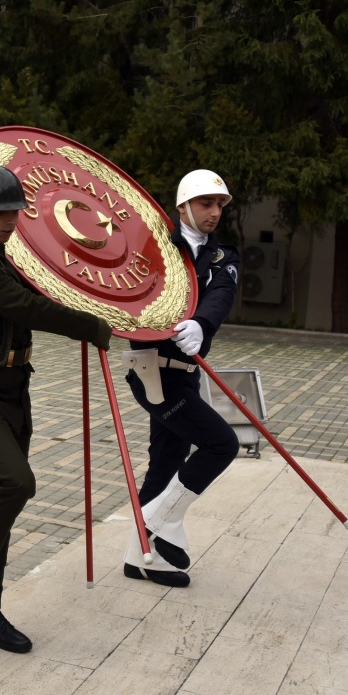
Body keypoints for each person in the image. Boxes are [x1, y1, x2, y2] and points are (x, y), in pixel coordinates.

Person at [0, 165, 112, 653]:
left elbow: (42, 287)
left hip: (13, 390)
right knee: (16, 483)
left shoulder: (0, 252)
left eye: (14, 211)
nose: (10, 221)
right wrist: (92, 325)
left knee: (0, 500)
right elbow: (27, 306)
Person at [123, 169, 241, 588]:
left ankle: (140, 557)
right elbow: (127, 289)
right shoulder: (152, 246)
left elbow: (221, 295)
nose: (215, 212)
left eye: (220, 205)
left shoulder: (223, 256)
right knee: (222, 443)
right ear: (182, 207)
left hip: (186, 375)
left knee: (165, 464)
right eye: (206, 203)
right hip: (153, 372)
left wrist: (202, 324)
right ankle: (156, 526)